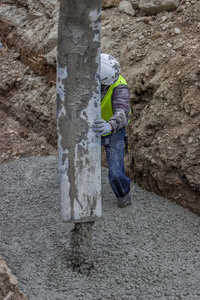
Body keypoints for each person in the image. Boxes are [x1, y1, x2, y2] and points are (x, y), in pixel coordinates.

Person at [93, 53, 131, 208]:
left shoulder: (119, 86)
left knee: (116, 173)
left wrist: (109, 126)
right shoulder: (89, 78)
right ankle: (85, 196)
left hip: (114, 131)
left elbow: (123, 112)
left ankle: (123, 196)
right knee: (80, 166)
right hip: (90, 130)